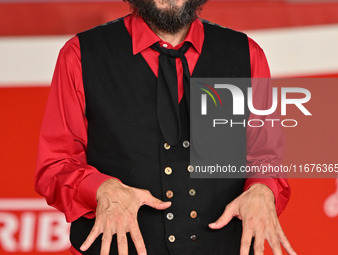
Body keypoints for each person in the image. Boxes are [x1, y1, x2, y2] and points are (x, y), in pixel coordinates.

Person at [35, 1, 297, 255]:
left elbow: (266, 158)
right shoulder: (80, 54)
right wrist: (101, 189)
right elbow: (55, 165)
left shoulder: (246, 54)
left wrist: (262, 189)